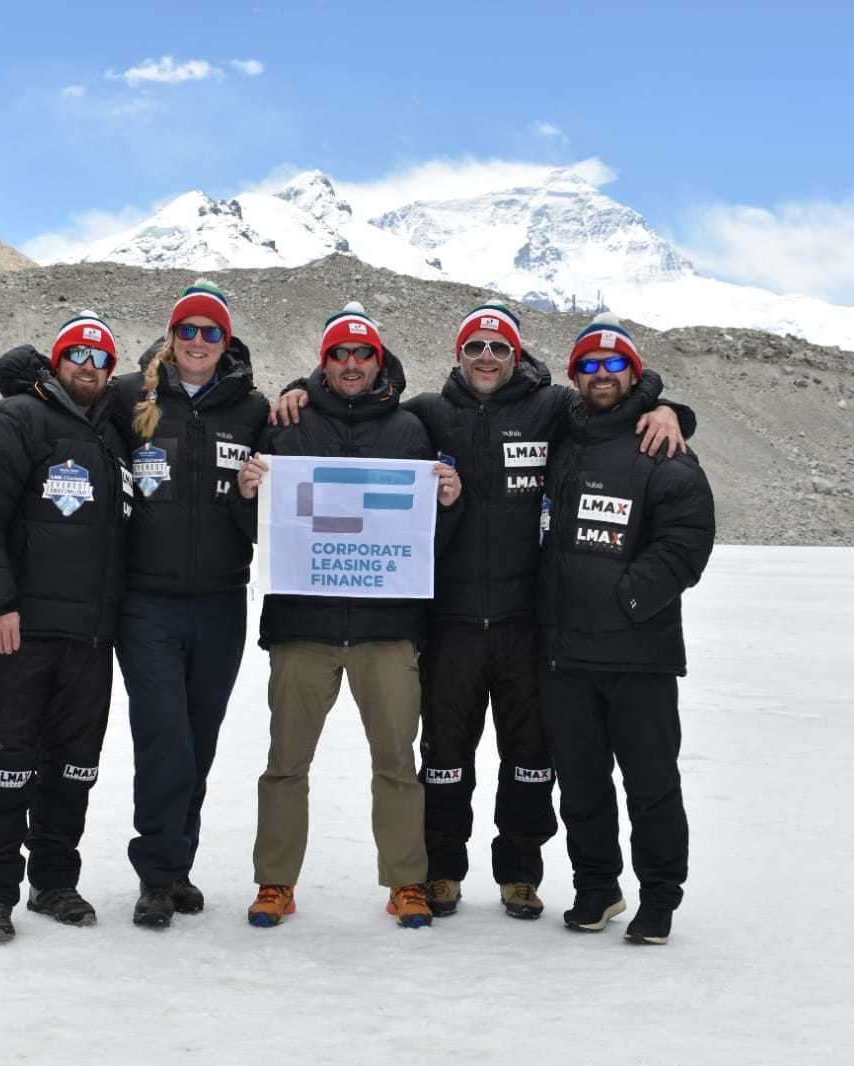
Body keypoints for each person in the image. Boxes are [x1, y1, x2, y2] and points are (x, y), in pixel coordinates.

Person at [270, 303, 693, 921]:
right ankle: (441, 871)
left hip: (529, 623)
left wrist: (666, 407)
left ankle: (520, 873)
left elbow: (612, 406)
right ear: (458, 355)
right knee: (445, 757)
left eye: (500, 348)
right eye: (476, 347)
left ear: (518, 356)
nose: (488, 357)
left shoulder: (551, 411)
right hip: (451, 621)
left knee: (529, 759)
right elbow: (355, 416)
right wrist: (296, 392)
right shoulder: (426, 416)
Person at [236, 302, 461, 929]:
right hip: (302, 628)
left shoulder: (410, 430)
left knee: (396, 762)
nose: (352, 364)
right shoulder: (286, 426)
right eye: (340, 353)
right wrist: (249, 490)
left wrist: (446, 502)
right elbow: (255, 527)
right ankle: (275, 880)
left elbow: (424, 539)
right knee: (286, 762)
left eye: (363, 353)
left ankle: (407, 882)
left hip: (386, 630)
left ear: (379, 360)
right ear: (324, 362)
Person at [0, 312, 133, 944]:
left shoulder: (110, 434)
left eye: (100, 357)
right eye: (76, 354)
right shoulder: (11, 420)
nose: (88, 364)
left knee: (75, 767)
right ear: (56, 363)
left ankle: (54, 881)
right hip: (21, 633)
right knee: (7, 766)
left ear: (111, 371)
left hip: (89, 638)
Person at [537, 312, 715, 945]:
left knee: (650, 784)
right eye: (589, 365)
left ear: (634, 373)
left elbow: (687, 540)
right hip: (565, 654)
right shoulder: (563, 434)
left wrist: (627, 600)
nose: (602, 375)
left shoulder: (661, 444)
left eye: (615, 365)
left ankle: (660, 896)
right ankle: (597, 887)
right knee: (581, 783)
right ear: (574, 375)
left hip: (638, 655)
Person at [106, 282, 271, 928]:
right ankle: (154, 873)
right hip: (145, 601)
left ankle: (177, 867)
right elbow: (69, 416)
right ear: (171, 337)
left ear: (225, 343)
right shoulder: (129, 397)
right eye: (188, 330)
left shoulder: (252, 409)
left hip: (221, 601)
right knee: (162, 737)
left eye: (211, 333)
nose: (198, 342)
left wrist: (256, 488)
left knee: (198, 740)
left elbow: (271, 497)